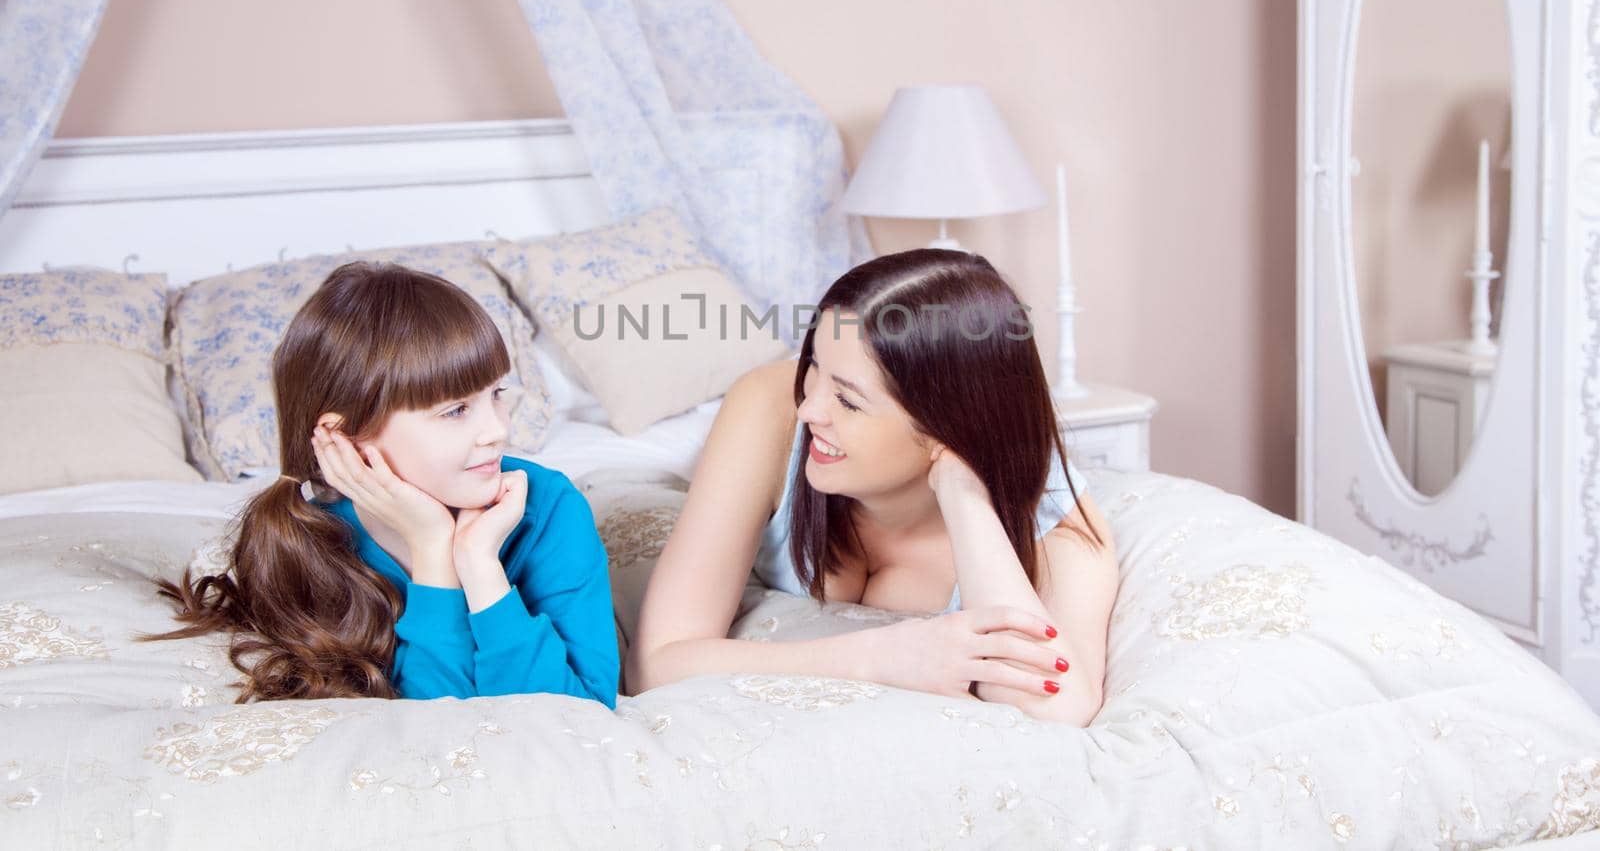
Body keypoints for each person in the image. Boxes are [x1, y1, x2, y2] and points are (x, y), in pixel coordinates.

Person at [627, 249, 1118, 725]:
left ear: (945, 428)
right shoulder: (768, 408)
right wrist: (879, 656)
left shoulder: (1055, 517)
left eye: (849, 400)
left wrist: (963, 493)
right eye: (813, 365)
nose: (809, 410)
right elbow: (657, 663)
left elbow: (1055, 708)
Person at [142, 261, 619, 706]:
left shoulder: (550, 509)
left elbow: (577, 717)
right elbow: (438, 728)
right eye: (455, 411)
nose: (498, 430)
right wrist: (434, 552)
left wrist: (481, 567)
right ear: (347, 436)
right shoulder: (302, 537)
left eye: (496, 394)